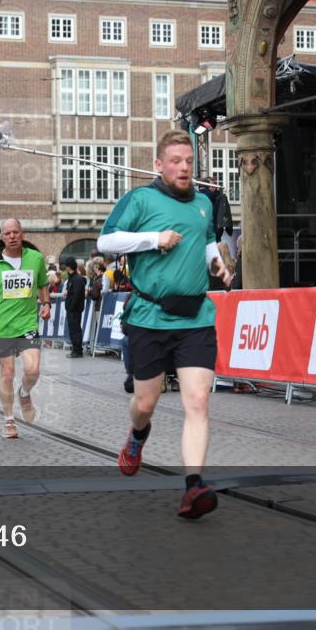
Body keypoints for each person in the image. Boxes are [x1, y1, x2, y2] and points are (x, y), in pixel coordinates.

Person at [97, 129, 232, 520]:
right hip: (149, 317)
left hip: (195, 317)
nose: (184, 167)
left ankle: (194, 487)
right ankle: (137, 436)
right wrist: (153, 239)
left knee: (199, 401)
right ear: (159, 165)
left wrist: (217, 264)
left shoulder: (204, 204)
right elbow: (106, 242)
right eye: (176, 161)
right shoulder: (140, 199)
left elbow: (207, 243)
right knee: (146, 403)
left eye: (189, 161)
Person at [0, 219, 51, 439]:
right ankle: (9, 421)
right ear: (2, 236)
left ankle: (24, 394)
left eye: (15, 232)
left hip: (27, 324)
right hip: (3, 326)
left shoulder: (35, 258)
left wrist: (46, 304)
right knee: (7, 374)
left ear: (22, 233)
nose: (12, 236)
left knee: (33, 370)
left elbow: (42, 284)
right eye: (7, 233)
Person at [62, 256, 87, 358]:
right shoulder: (71, 278)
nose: (65, 268)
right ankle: (75, 349)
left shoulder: (77, 279)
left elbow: (77, 295)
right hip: (71, 308)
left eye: (66, 266)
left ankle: (77, 350)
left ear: (69, 267)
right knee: (72, 329)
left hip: (74, 309)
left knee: (75, 329)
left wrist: (71, 306)